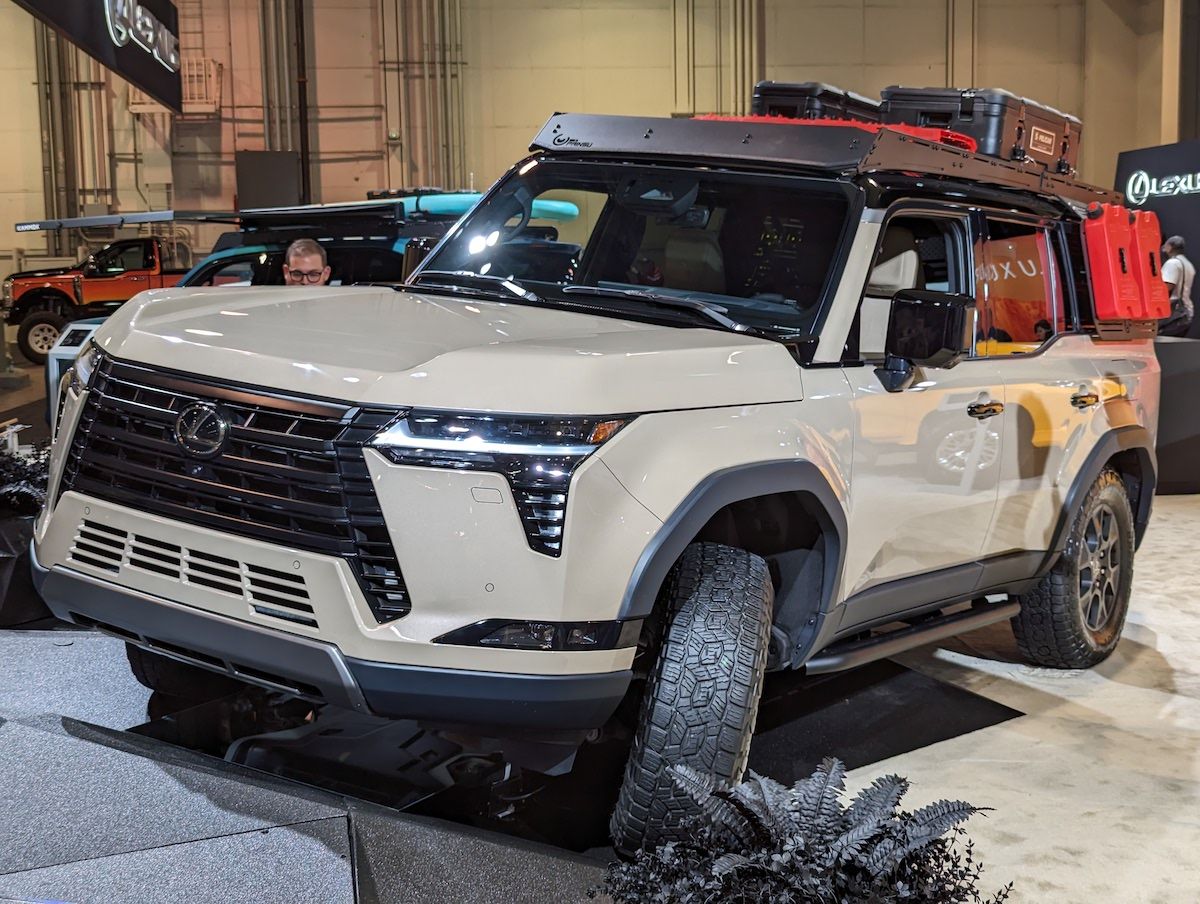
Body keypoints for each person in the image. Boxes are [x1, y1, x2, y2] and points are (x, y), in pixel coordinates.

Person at [1159, 235, 1195, 337]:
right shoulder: (1187, 263)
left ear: (1170, 247)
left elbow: (1166, 287)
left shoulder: (1173, 263)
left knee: (1159, 342)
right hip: (1186, 313)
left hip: (1175, 314)